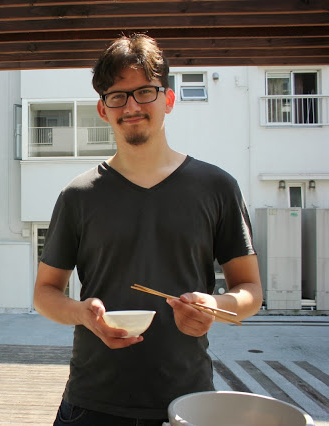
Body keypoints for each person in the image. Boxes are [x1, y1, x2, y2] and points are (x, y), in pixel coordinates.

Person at [33, 34, 263, 426]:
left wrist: (215, 306)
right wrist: (81, 314)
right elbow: (44, 292)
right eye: (117, 96)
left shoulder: (217, 187)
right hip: (92, 401)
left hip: (187, 400)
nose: (132, 106)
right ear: (103, 110)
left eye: (144, 91)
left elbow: (251, 290)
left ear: (168, 99)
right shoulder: (78, 195)